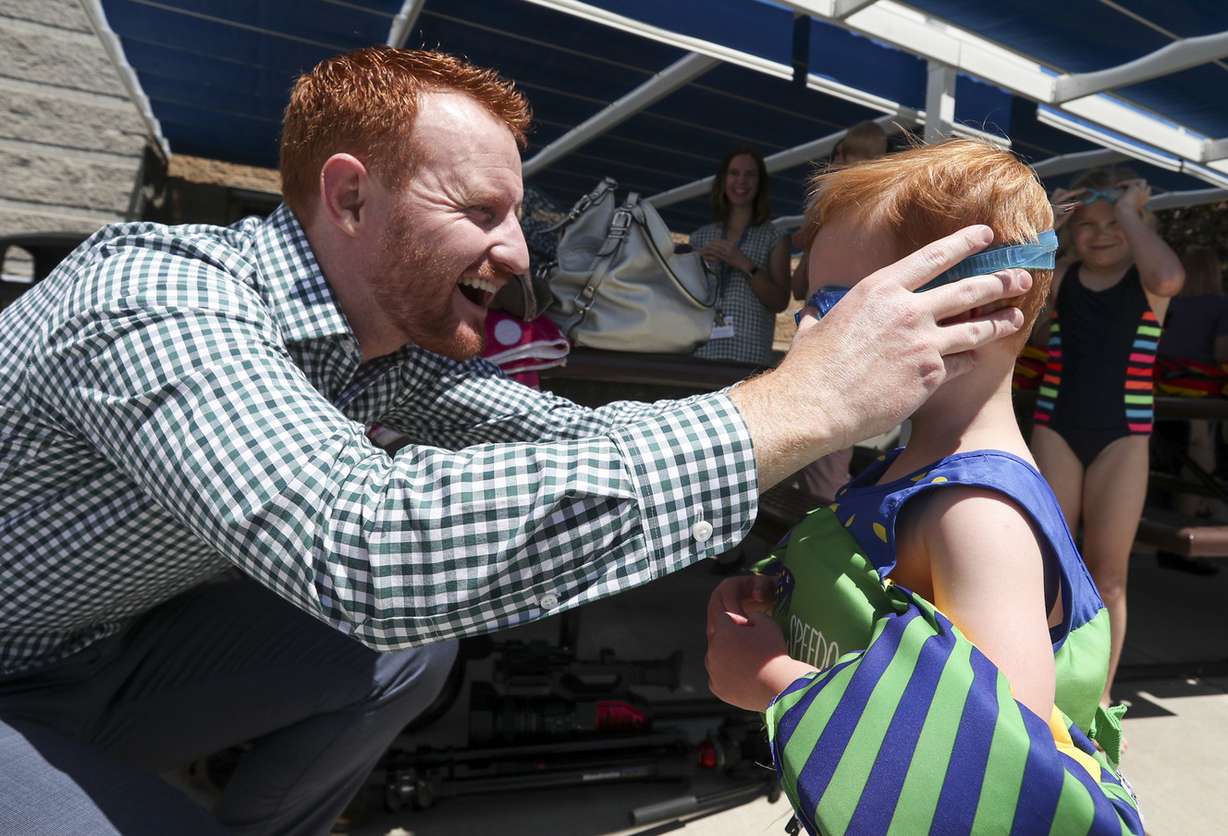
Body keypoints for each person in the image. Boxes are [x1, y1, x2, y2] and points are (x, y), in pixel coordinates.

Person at [0, 47, 1034, 835]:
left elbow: (568, 434)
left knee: (411, 647)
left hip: (94, 657)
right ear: (351, 195)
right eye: (482, 210)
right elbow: (370, 545)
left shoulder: (377, 347)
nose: (514, 248)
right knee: (391, 601)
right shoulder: (154, 297)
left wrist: (784, 423)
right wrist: (795, 407)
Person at [704, 140, 1131, 832]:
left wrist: (774, 681)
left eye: (846, 306)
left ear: (986, 302)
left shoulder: (976, 519)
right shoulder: (908, 469)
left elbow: (992, 785)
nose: (810, 332)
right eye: (811, 304)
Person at [1030, 168, 1184, 707]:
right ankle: (1041, 683)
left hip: (1125, 437)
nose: (1100, 233)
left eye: (1113, 223)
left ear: (1136, 225)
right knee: (1050, 563)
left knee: (1108, 575)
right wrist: (1048, 222)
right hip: (1057, 428)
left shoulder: (1148, 282)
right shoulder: (1066, 275)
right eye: (1088, 224)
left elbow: (1170, 278)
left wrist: (1128, 212)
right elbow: (1023, 288)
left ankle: (1098, 698)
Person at [1153, 245, 1228, 574]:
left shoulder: (1169, 304)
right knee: (1199, 454)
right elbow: (1222, 351)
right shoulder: (1220, 306)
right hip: (1198, 392)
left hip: (1158, 388)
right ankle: (1182, 546)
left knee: (1175, 460)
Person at [692, 147, 791, 366]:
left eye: (750, 174)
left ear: (760, 184)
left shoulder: (775, 237)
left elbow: (780, 301)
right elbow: (684, 299)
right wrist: (695, 264)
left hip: (748, 359)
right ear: (723, 180)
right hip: (701, 354)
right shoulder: (700, 237)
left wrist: (744, 264)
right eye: (734, 173)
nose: (741, 181)